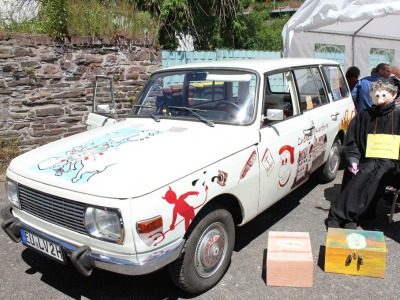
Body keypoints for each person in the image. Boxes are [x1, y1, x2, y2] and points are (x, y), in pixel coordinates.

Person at [327, 81, 400, 229]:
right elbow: (352, 141)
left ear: (394, 95)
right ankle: (350, 216)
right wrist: (353, 159)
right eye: (376, 95)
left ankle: (341, 215)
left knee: (378, 171)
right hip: (365, 158)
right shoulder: (364, 116)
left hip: (391, 162)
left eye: (384, 95)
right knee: (362, 171)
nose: (380, 99)